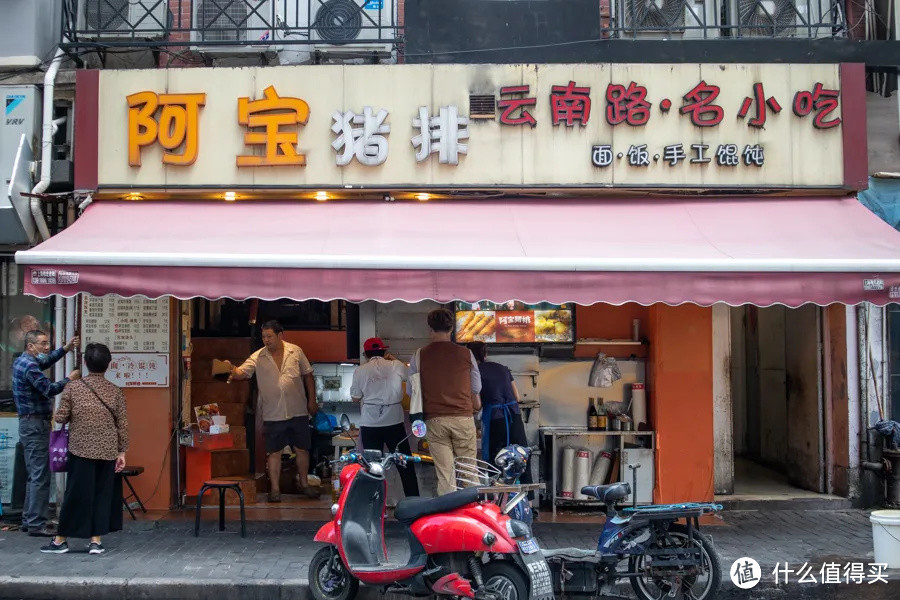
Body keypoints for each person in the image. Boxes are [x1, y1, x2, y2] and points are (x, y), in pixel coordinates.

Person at [41, 343, 128, 555]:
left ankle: (61, 540)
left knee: (76, 495)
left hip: (80, 450)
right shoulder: (115, 391)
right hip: (107, 450)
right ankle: (95, 541)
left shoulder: (73, 388)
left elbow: (61, 417)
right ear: (108, 364)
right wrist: (122, 452)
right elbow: (122, 424)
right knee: (101, 494)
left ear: (86, 363)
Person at [226, 320, 319, 501]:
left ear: (280, 335)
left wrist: (312, 401)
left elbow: (308, 376)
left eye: (269, 336)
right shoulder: (258, 356)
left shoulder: (295, 351)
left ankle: (304, 485)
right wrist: (229, 368)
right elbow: (241, 373)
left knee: (302, 449)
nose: (266, 340)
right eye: (263, 337)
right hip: (273, 413)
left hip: (298, 409)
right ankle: (275, 490)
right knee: (274, 452)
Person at [12, 330, 80, 537]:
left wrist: (65, 349)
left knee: (34, 474)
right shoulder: (29, 366)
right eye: (42, 344)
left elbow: (45, 362)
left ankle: (29, 518)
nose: (46, 347)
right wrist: (69, 379)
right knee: (40, 475)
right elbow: (49, 389)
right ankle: (36, 523)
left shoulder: (22, 362)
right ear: (30, 346)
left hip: (29, 424)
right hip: (35, 425)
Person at [409, 308, 481, 496]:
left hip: (435, 421)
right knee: (468, 471)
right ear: (451, 330)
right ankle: (473, 515)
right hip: (463, 419)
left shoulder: (419, 355)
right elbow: (476, 387)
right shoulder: (466, 354)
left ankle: (448, 517)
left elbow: (411, 390)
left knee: (445, 474)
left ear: (430, 329)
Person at [350, 337, 419, 498]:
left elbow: (355, 397)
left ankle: (373, 505)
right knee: (405, 464)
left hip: (370, 423)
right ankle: (414, 502)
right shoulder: (395, 365)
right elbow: (412, 377)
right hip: (394, 421)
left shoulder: (360, 370)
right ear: (384, 352)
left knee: (372, 467)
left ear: (366, 355)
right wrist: (395, 360)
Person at [466, 341, 533, 487]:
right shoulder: (503, 368)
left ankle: (496, 499)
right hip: (514, 416)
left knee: (496, 459)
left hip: (495, 419)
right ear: (485, 354)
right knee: (521, 455)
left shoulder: (474, 372)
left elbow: (476, 404)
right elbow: (517, 397)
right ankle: (526, 498)